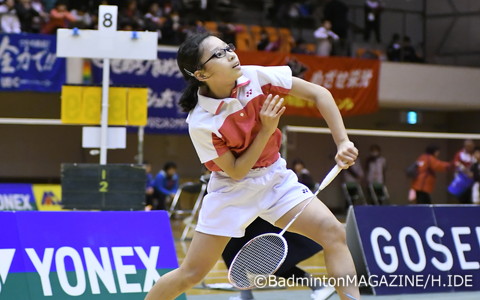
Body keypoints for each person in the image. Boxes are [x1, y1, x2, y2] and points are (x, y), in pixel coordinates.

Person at [144, 32, 360, 300]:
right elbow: (236, 171)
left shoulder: (255, 77)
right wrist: (266, 131)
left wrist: (342, 142)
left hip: (275, 178)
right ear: (200, 74)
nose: (232, 54)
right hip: (232, 192)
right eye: (219, 54)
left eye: (228, 48)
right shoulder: (201, 122)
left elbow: (319, 94)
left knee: (334, 233)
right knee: (191, 273)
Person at [222, 218, 335, 300]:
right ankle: (245, 295)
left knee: (269, 259)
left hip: (246, 209)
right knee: (232, 251)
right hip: (231, 210)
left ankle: (318, 286)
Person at [453, 139, 476, 204]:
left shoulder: (475, 154)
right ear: (465, 146)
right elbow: (457, 164)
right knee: (462, 198)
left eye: (471, 146)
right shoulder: (460, 154)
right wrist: (467, 172)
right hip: (462, 179)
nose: (469, 147)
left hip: (473, 179)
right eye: (468, 146)